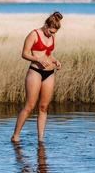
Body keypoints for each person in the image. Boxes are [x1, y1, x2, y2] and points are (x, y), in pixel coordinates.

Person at [11, 11, 63, 143]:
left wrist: (55, 61)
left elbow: (48, 54)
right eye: (51, 32)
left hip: (49, 73)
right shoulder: (34, 34)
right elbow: (24, 54)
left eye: (54, 33)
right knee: (29, 106)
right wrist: (38, 59)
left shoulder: (52, 36)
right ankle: (15, 136)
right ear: (46, 25)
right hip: (35, 72)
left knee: (44, 107)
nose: (52, 34)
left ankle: (40, 139)